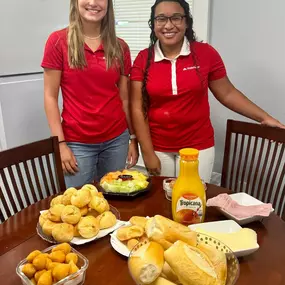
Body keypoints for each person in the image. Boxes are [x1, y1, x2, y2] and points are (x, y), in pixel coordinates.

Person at [130, 0, 284, 183]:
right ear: (153, 24)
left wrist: (264, 118)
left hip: (198, 147)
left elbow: (227, 93)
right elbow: (137, 108)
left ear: (186, 22)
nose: (169, 25)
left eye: (176, 18)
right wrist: (147, 152)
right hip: (159, 146)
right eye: (161, 19)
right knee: (163, 204)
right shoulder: (143, 58)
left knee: (192, 202)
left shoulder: (205, 54)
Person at [42, 0, 138, 188]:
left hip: (116, 140)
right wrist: (60, 145)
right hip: (77, 143)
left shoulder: (120, 47)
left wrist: (132, 139)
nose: (93, 3)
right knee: (78, 206)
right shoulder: (58, 42)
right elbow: (50, 97)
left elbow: (125, 99)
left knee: (113, 201)